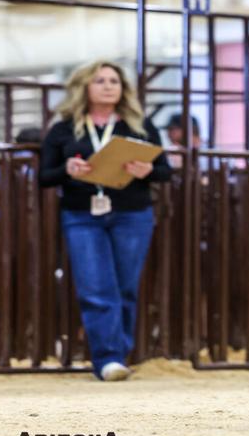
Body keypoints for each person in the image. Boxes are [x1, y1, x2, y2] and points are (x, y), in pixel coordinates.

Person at [37, 60, 172, 381]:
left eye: (114, 81)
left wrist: (147, 170)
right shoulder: (63, 129)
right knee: (95, 287)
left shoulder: (140, 126)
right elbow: (45, 176)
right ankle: (107, 358)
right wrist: (67, 170)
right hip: (82, 214)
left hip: (132, 214)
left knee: (125, 287)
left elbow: (165, 170)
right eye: (100, 80)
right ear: (84, 87)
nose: (109, 86)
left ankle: (118, 354)